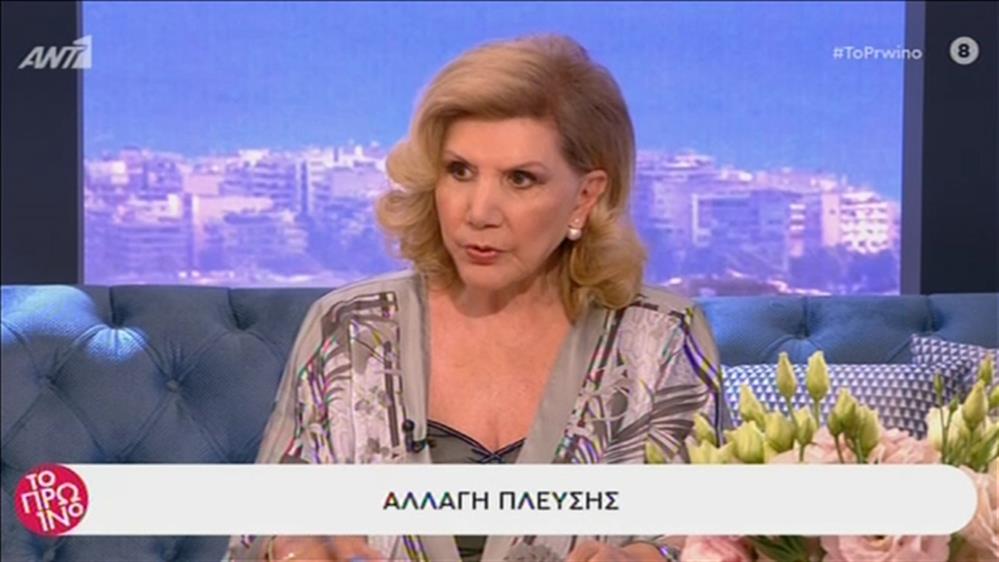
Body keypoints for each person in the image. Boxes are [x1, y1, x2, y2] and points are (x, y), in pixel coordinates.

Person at [227, 33, 727, 562]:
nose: (479, 211)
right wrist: (293, 549)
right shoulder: (351, 328)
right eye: (459, 171)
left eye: (520, 179)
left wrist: (639, 559)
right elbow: (254, 542)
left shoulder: (660, 338)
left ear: (585, 196)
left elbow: (710, 543)